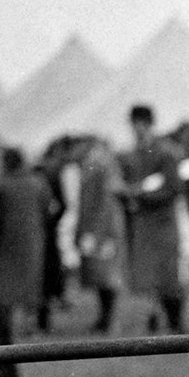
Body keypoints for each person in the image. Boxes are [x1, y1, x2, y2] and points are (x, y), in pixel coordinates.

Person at [118, 103, 189, 332]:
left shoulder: (165, 152)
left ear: (148, 124)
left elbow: (174, 188)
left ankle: (176, 322)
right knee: (150, 278)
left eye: (139, 124)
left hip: (163, 222)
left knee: (169, 275)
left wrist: (139, 194)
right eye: (133, 125)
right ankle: (157, 318)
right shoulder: (133, 154)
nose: (136, 129)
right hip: (144, 224)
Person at [55, 134, 126, 330]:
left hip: (104, 229)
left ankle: (109, 319)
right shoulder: (92, 164)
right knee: (100, 275)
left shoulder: (100, 165)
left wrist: (97, 232)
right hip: (98, 227)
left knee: (107, 275)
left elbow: (104, 202)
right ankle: (105, 318)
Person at [0, 148, 56, 332]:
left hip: (8, 241)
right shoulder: (38, 182)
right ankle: (31, 325)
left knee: (8, 285)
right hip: (34, 240)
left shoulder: (1, 185)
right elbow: (49, 210)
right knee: (33, 284)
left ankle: (8, 327)